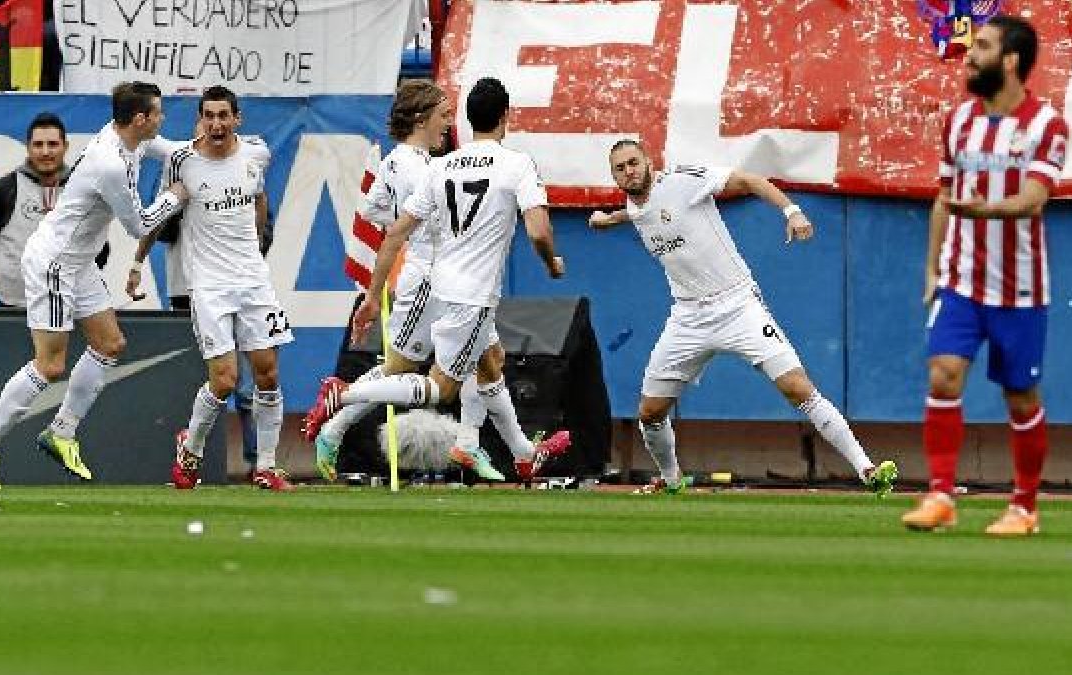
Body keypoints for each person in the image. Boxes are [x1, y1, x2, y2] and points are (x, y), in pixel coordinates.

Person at [589, 140, 897, 496]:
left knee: (797, 387)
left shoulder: (684, 180)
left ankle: (867, 469)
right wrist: (611, 218)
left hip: (737, 306)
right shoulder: (634, 206)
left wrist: (791, 211)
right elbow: (644, 212)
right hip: (687, 317)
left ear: (649, 162)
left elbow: (750, 180)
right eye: (620, 168)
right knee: (650, 412)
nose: (629, 171)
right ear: (614, 177)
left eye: (633, 163)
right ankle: (672, 481)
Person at [303, 79, 570, 483]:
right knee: (428, 382)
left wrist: (378, 290)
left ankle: (509, 451)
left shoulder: (428, 163)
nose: (448, 121)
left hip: (441, 276)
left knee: (489, 359)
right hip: (436, 280)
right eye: (442, 114)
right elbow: (400, 227)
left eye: (451, 112)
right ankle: (343, 407)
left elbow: (380, 214)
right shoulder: (429, 166)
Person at [0, 81, 189, 490]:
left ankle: (61, 431)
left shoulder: (126, 136)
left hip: (78, 263)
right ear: (140, 119)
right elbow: (139, 225)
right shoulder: (110, 164)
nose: (162, 118)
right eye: (158, 113)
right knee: (49, 365)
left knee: (109, 344)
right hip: (53, 263)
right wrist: (174, 196)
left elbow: (162, 146)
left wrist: (197, 149)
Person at [902, 16, 1066, 536]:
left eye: (984, 46)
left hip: (1020, 288)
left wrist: (983, 211)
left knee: (1020, 397)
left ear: (1011, 61)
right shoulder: (958, 121)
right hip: (960, 281)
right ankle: (941, 497)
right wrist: (932, 268)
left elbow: (1035, 200)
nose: (970, 54)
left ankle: (1024, 508)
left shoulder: (1046, 125)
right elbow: (943, 198)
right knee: (942, 374)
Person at [127, 85, 294, 491]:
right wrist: (135, 262)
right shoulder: (182, 160)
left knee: (268, 373)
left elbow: (258, 197)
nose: (217, 124)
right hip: (208, 285)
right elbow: (159, 213)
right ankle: (191, 449)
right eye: (209, 116)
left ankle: (267, 467)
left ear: (237, 119)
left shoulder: (257, 152)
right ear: (200, 119)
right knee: (224, 380)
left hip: (252, 280)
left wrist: (258, 242)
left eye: (224, 116)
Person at [0, 113, 109, 307]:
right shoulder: (2, 190)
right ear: (28, 147)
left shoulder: (81, 191)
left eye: (52, 144)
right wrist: (3, 283)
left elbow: (99, 246)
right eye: (38, 144)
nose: (45, 152)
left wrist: (77, 284)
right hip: (15, 305)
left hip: (67, 303)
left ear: (65, 147)